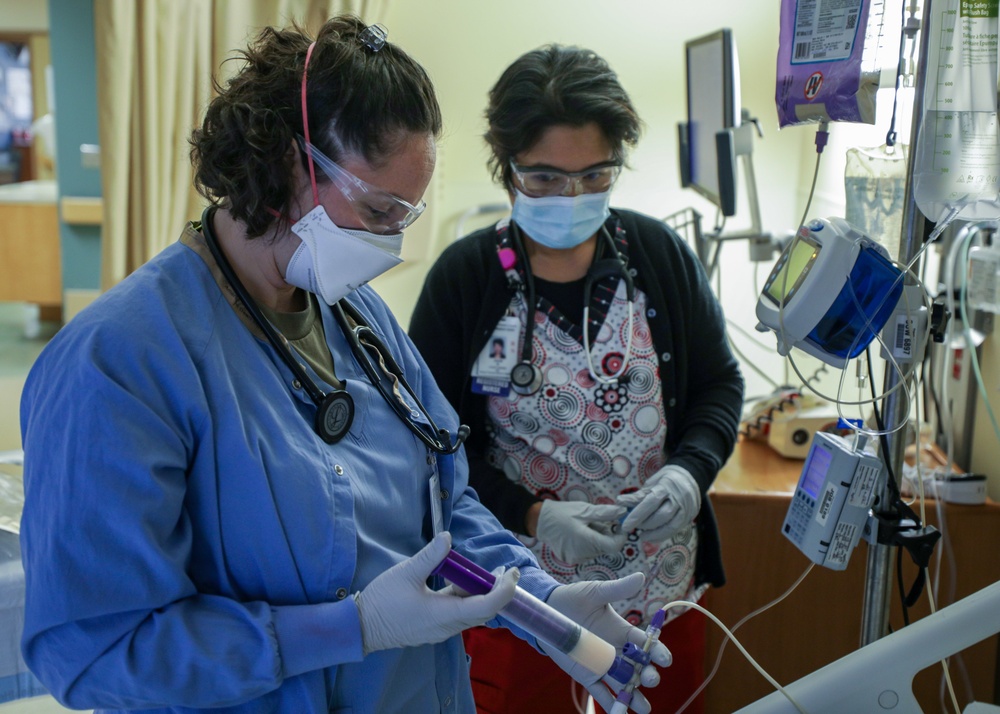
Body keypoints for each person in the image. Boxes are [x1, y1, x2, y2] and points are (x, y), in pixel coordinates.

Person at [18, 19, 670, 714]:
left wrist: (542, 605)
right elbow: (96, 656)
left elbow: (444, 510)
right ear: (287, 166)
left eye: (405, 216)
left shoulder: (359, 319)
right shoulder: (120, 363)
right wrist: (348, 629)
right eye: (379, 210)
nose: (391, 243)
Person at [409, 44, 744, 714]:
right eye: (545, 179)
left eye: (594, 177)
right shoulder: (468, 278)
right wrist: (530, 515)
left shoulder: (658, 257)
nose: (571, 196)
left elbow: (718, 386)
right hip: (525, 603)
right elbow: (426, 445)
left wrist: (690, 470)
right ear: (507, 170)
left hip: (661, 597)